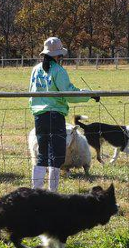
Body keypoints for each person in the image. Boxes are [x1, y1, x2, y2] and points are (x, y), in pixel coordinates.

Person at [29, 37, 100, 192]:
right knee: (57, 155)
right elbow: (69, 93)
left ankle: (36, 192)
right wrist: (89, 95)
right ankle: (52, 192)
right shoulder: (58, 71)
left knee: (42, 153)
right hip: (55, 116)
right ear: (58, 55)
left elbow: (32, 92)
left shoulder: (35, 70)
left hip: (39, 116)